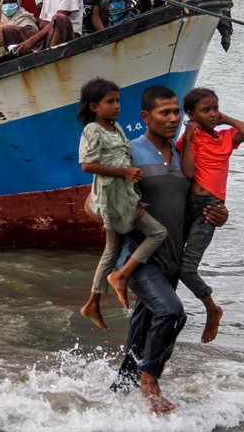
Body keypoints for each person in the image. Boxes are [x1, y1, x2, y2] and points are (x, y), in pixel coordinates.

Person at [110, 85, 229, 414]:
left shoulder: (182, 157)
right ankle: (151, 380)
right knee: (172, 313)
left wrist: (218, 215)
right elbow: (95, 204)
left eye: (176, 112)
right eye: (165, 113)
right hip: (137, 258)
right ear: (146, 117)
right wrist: (123, 212)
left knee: (143, 328)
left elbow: (191, 205)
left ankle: (119, 394)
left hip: (172, 259)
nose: (173, 118)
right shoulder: (129, 152)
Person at [77, 78, 167, 332]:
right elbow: (87, 165)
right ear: (94, 106)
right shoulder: (93, 130)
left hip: (124, 195)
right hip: (112, 197)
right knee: (157, 233)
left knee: (112, 248)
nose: (117, 106)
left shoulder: (116, 128)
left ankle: (94, 302)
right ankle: (120, 277)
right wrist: (124, 172)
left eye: (117, 100)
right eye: (110, 102)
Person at [177, 88, 244, 343]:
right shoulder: (191, 138)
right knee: (171, 261)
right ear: (191, 115)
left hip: (210, 208)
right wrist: (189, 137)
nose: (212, 114)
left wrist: (226, 118)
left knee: (187, 269)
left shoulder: (225, 137)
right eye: (205, 110)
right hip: (189, 204)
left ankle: (212, 309)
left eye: (214, 108)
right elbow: (188, 173)